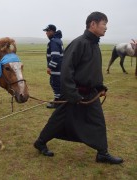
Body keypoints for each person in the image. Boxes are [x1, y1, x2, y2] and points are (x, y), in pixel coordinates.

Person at [34, 12, 123, 164]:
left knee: (98, 121)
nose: (106, 28)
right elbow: (66, 71)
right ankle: (41, 142)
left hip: (90, 94)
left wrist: (99, 87)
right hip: (75, 94)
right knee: (59, 119)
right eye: (104, 24)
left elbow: (92, 70)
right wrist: (73, 94)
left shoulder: (94, 44)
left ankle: (102, 152)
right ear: (93, 24)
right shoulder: (79, 43)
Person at [43, 24, 64, 108]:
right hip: (60, 68)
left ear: (51, 31)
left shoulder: (53, 42)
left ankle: (57, 102)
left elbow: (55, 57)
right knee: (57, 84)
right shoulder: (58, 40)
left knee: (55, 84)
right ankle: (59, 100)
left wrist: (50, 67)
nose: (46, 33)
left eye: (47, 31)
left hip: (57, 70)